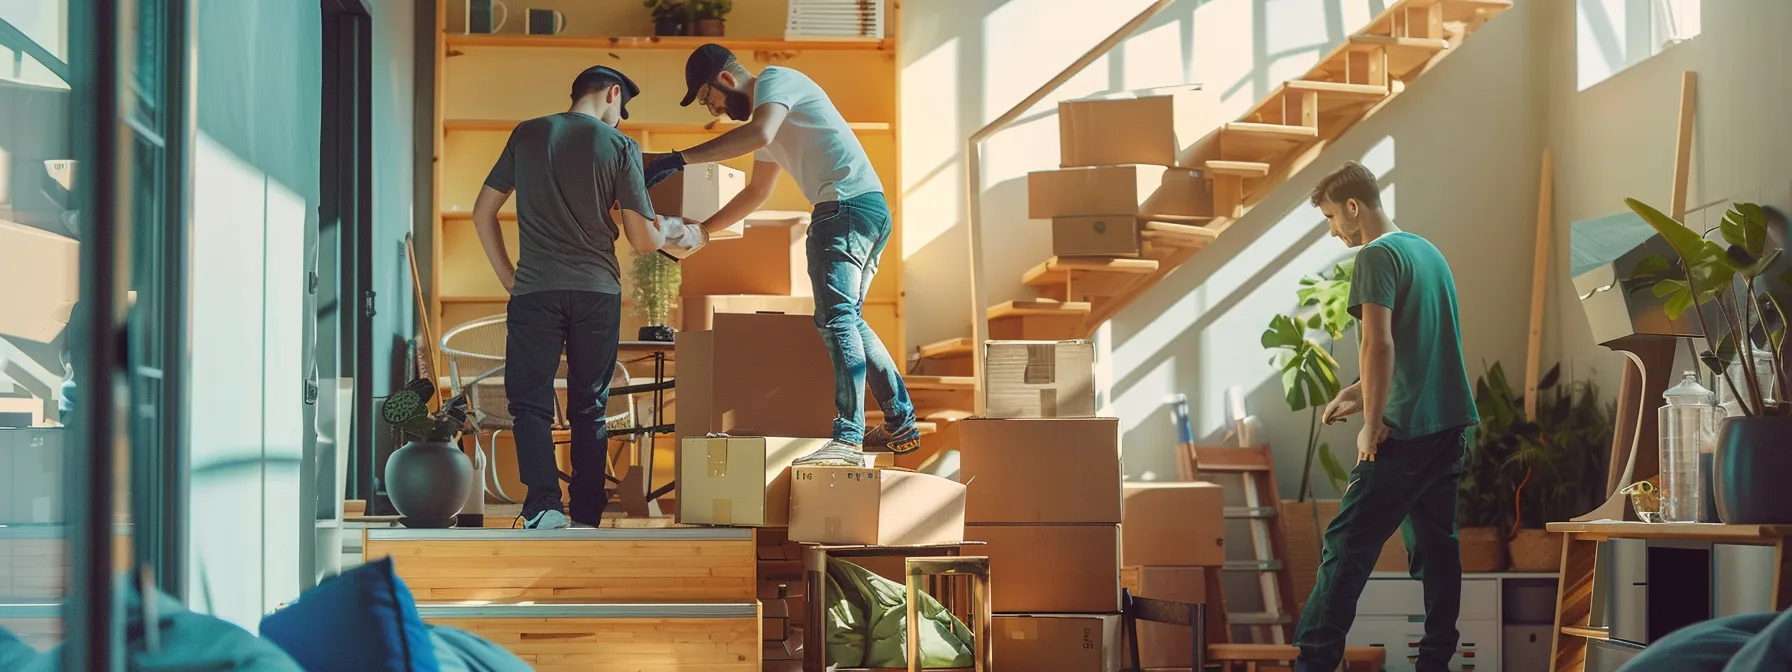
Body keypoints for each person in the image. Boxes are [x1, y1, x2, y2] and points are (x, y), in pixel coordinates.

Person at [642, 43, 918, 466]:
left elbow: (759, 133)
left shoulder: (775, 81)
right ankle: (900, 422)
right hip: (866, 207)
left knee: (836, 319)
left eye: (708, 98)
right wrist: (701, 233)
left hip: (842, 208)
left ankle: (847, 439)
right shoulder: (772, 114)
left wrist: (679, 160)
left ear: (726, 80)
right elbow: (757, 191)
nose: (713, 110)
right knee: (849, 318)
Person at [470, 65, 699, 529]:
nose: (619, 119)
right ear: (613, 94)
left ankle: (543, 508)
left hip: (535, 290)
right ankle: (588, 515)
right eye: (621, 109)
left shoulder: (527, 134)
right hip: (597, 292)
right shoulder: (620, 146)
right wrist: (678, 231)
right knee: (589, 406)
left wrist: (509, 278)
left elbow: (482, 213)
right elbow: (642, 240)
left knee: (529, 404)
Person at [1294, 161, 1480, 672]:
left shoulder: (1375, 255)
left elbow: (1378, 344)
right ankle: (1435, 663)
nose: (1333, 229)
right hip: (1448, 428)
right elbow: (1421, 345)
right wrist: (1358, 392)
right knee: (1436, 552)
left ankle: (1312, 663)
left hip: (1404, 435)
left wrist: (1373, 423)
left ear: (1353, 207)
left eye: (1331, 217)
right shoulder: (1426, 251)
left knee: (1344, 548)